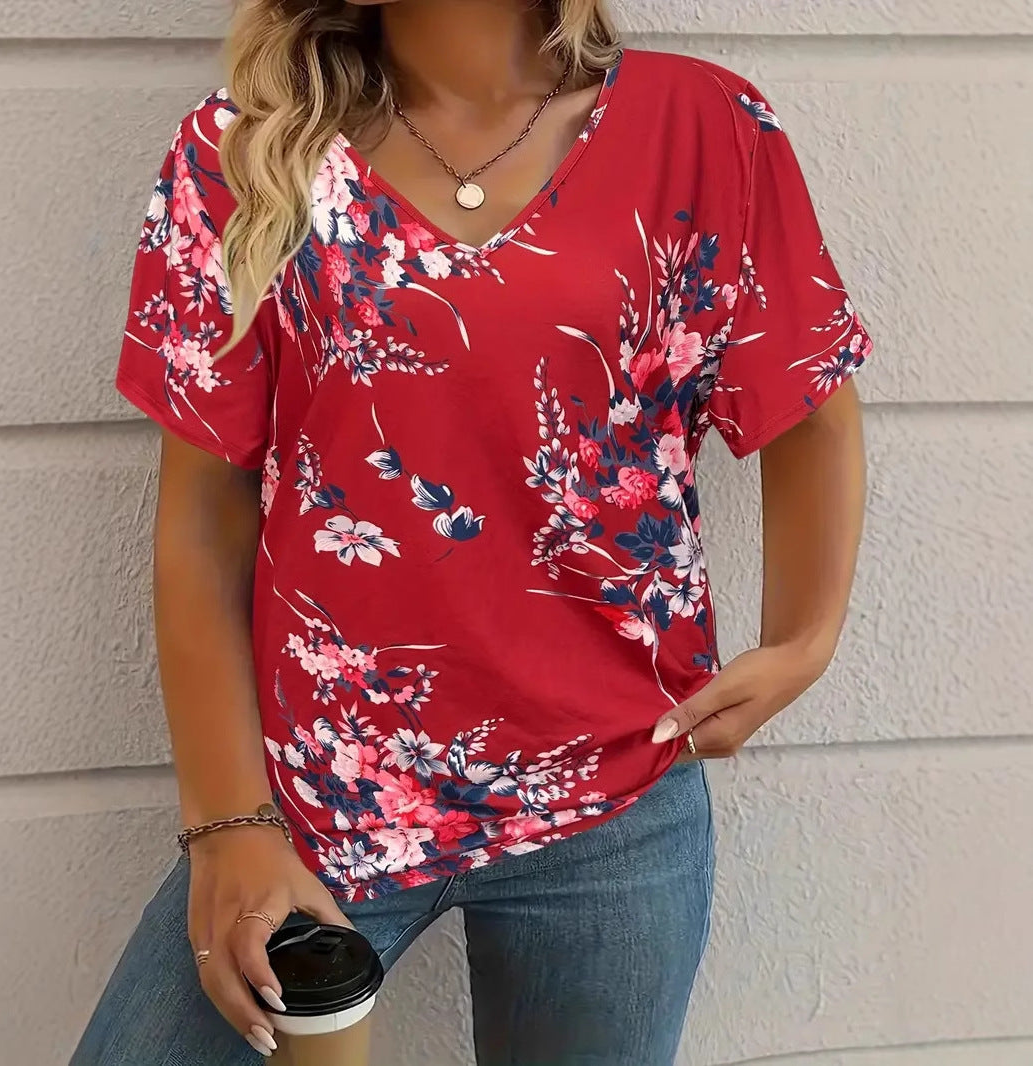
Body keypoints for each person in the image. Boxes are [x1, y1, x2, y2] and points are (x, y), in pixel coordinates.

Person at [70, 1, 871, 1063]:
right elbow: (203, 514)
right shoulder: (246, 151)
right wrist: (229, 825)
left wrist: (804, 639)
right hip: (322, 802)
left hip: (614, 800)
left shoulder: (704, 127)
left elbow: (808, 399)